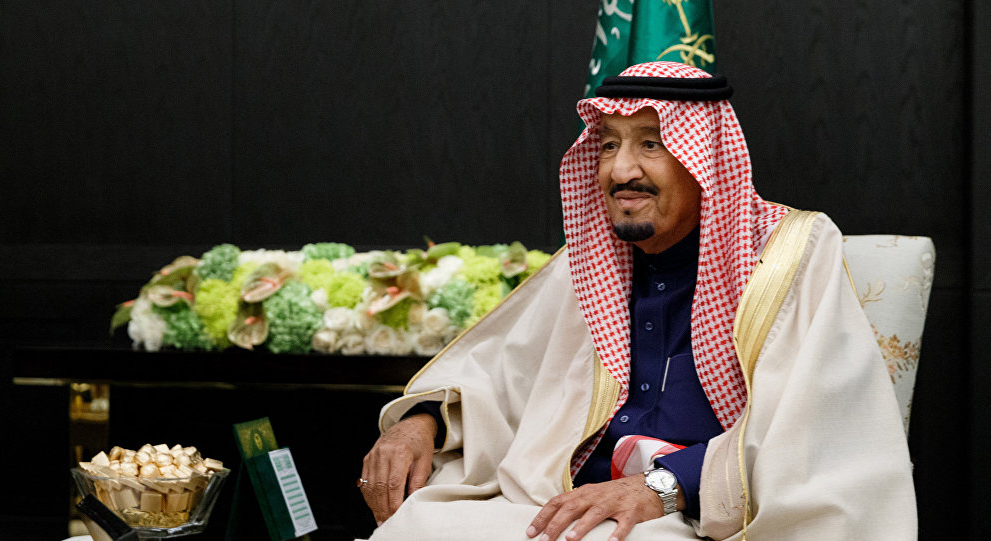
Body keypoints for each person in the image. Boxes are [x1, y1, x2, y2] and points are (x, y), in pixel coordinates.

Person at [356, 61, 916, 540]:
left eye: (651, 143)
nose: (621, 170)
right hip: (560, 500)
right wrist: (423, 422)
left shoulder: (790, 253)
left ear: (705, 158)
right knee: (418, 528)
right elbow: (500, 375)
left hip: (700, 513)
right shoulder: (590, 260)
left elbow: (815, 425)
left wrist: (663, 487)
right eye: (608, 146)